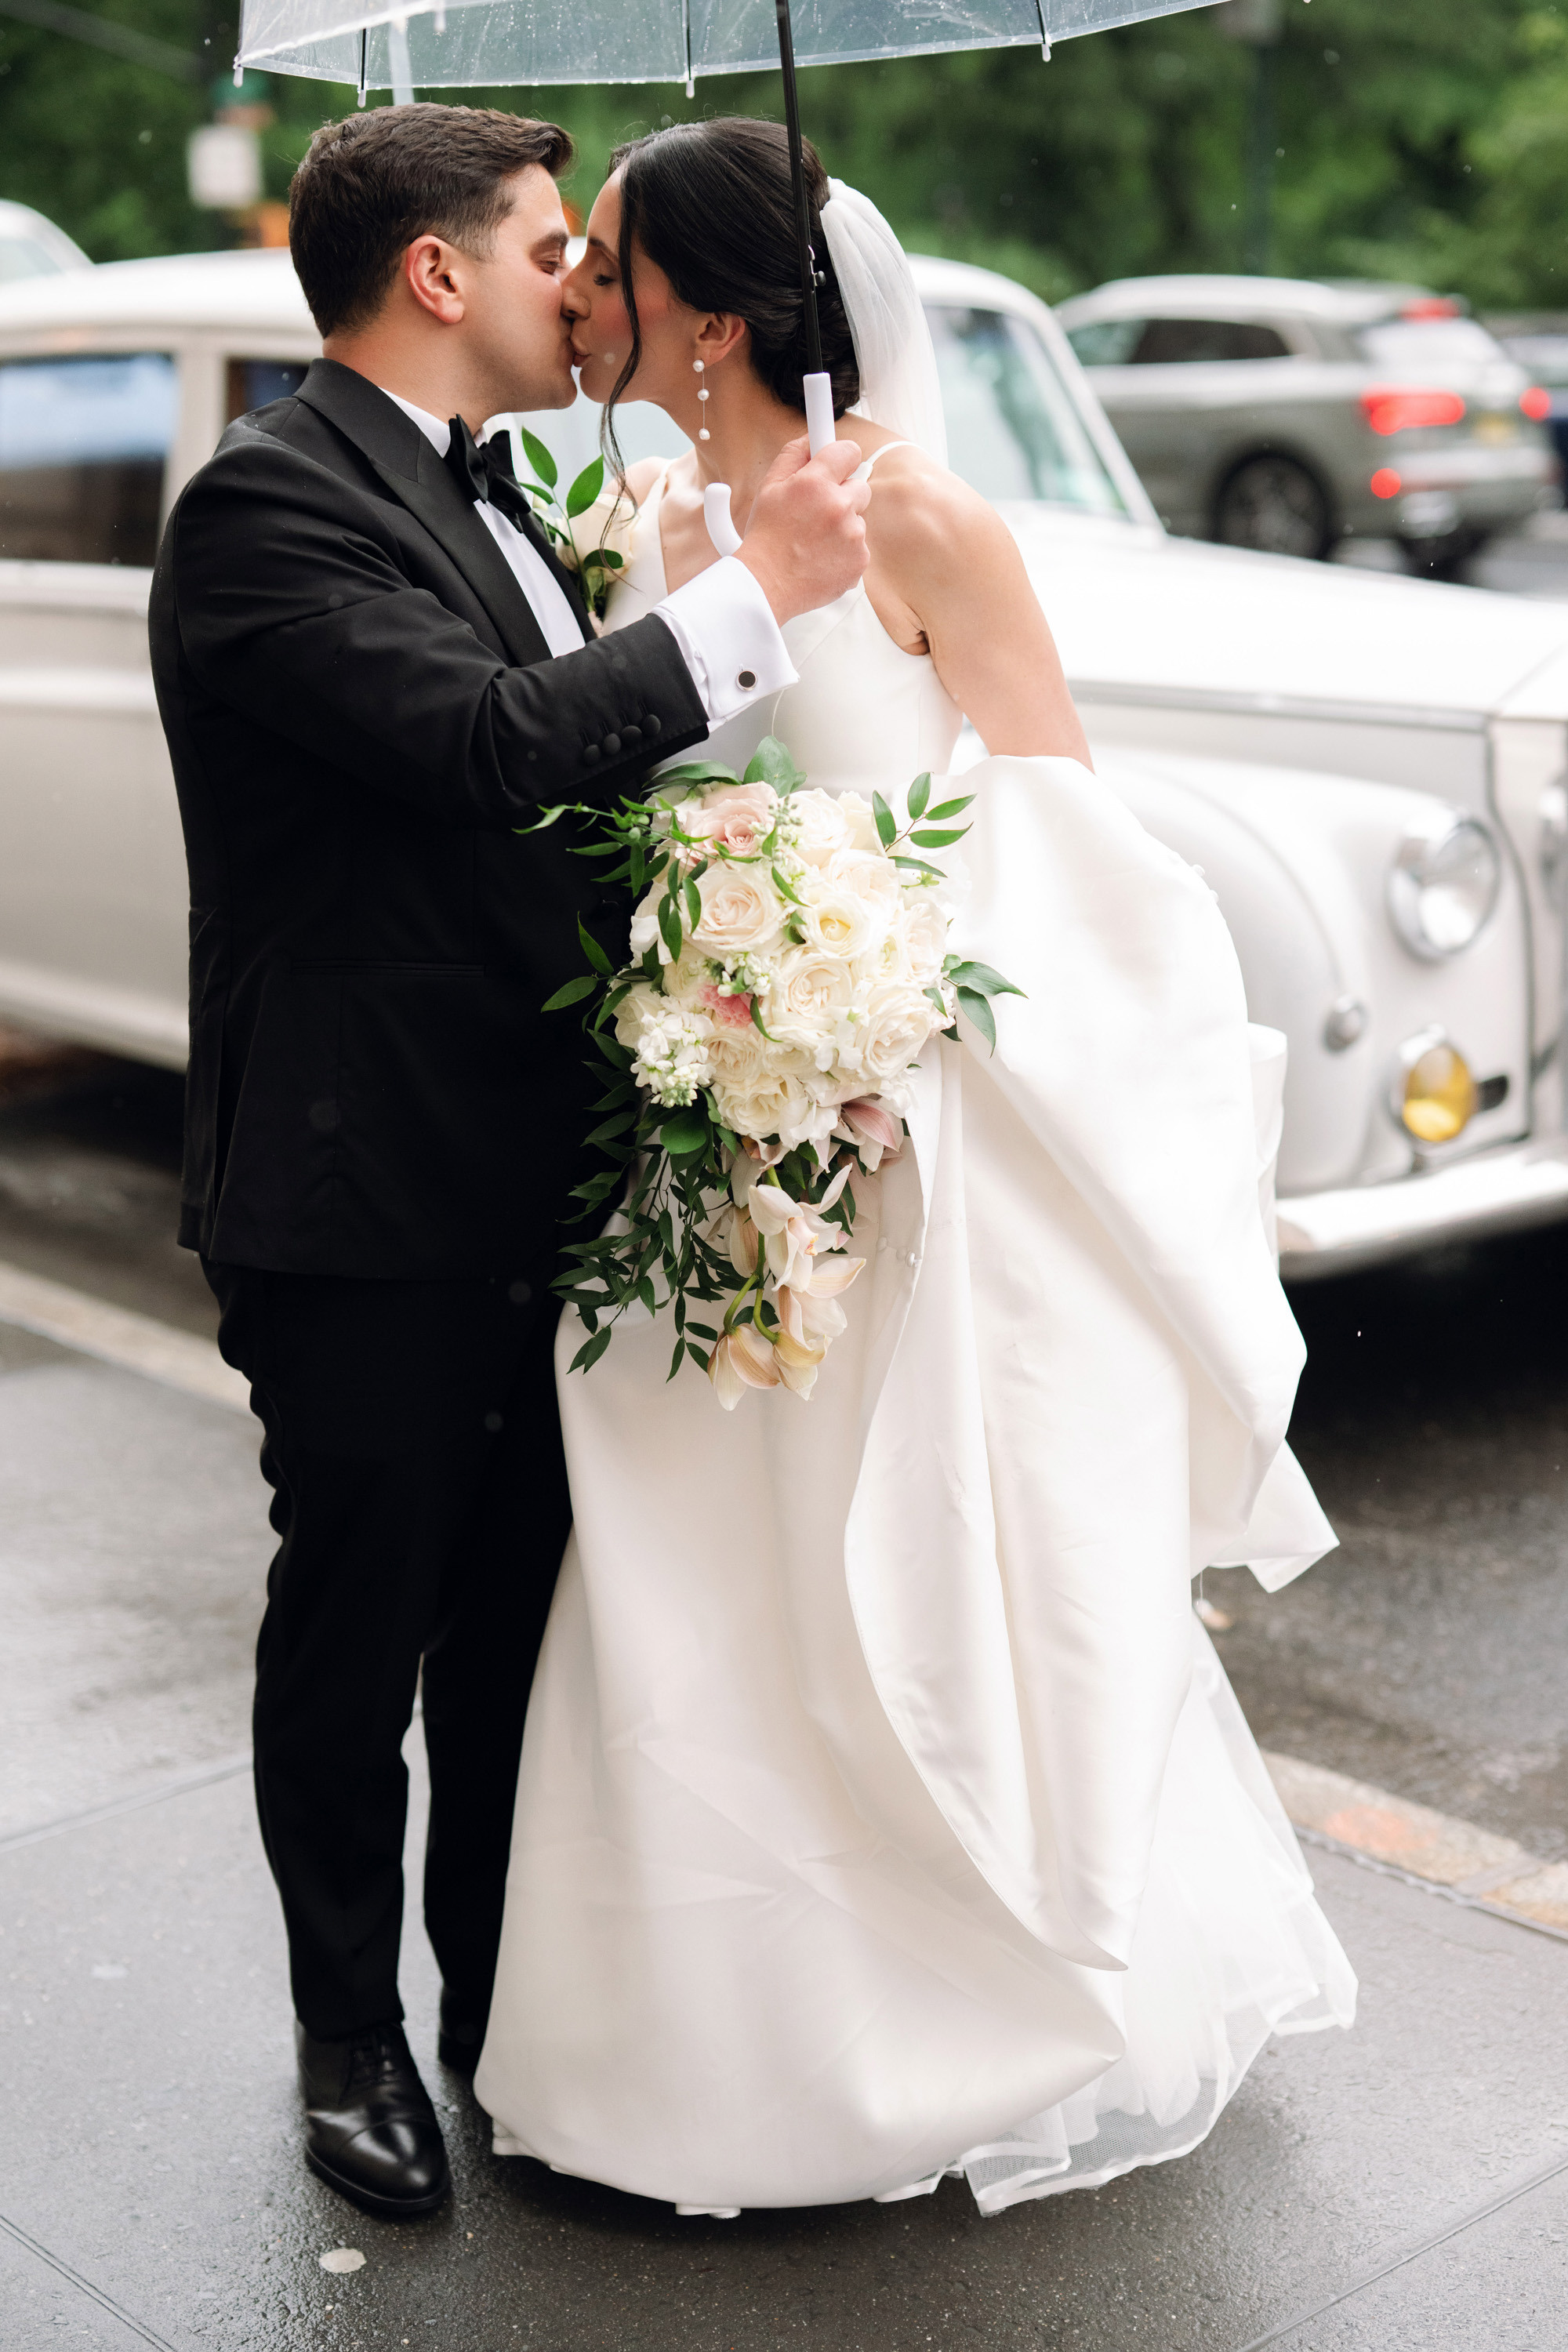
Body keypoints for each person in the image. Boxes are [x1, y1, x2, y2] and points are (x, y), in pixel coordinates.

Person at [473, 120, 1356, 2216]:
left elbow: (1062, 834)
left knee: (899, 1580)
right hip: (709, 1157)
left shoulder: (922, 517)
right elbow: (637, 802)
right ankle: (688, 2059)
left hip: (895, 1148)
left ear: (704, 296)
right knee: (701, 1581)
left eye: (608, 261)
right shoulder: (663, 512)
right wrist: (709, 988)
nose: (581, 288)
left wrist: (878, 1018)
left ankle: (961, 2014)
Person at [147, 103, 872, 2220]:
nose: (589, 281)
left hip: (539, 1182)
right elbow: (480, 754)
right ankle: (348, 2040)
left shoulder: (510, 499)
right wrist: (761, 598)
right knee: (357, 1631)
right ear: (438, 274)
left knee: (511, 1635)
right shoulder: (263, 511)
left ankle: (496, 2015)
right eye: (558, 245)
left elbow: (585, 804)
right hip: (355, 1193)